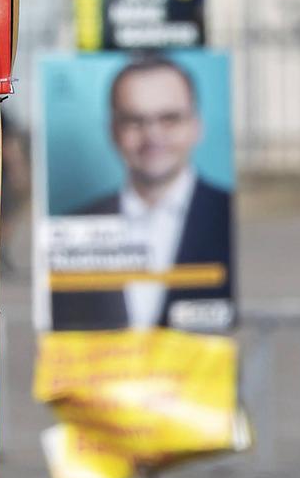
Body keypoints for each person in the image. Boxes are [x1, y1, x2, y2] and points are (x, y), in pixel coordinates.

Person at [52, 56, 235, 333]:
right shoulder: (71, 229)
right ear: (113, 131)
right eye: (135, 121)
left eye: (169, 118)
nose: (153, 135)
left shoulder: (227, 215)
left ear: (196, 125)